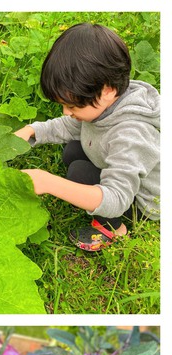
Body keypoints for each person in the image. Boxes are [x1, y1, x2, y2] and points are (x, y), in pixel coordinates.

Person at [14, 23, 160, 251]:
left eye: (72, 105)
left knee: (78, 172)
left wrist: (48, 182)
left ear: (107, 90)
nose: (66, 111)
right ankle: (91, 186)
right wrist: (31, 131)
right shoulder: (107, 103)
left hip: (141, 201)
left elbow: (117, 198)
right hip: (120, 167)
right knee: (73, 150)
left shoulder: (131, 133)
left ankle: (116, 231)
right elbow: (70, 125)